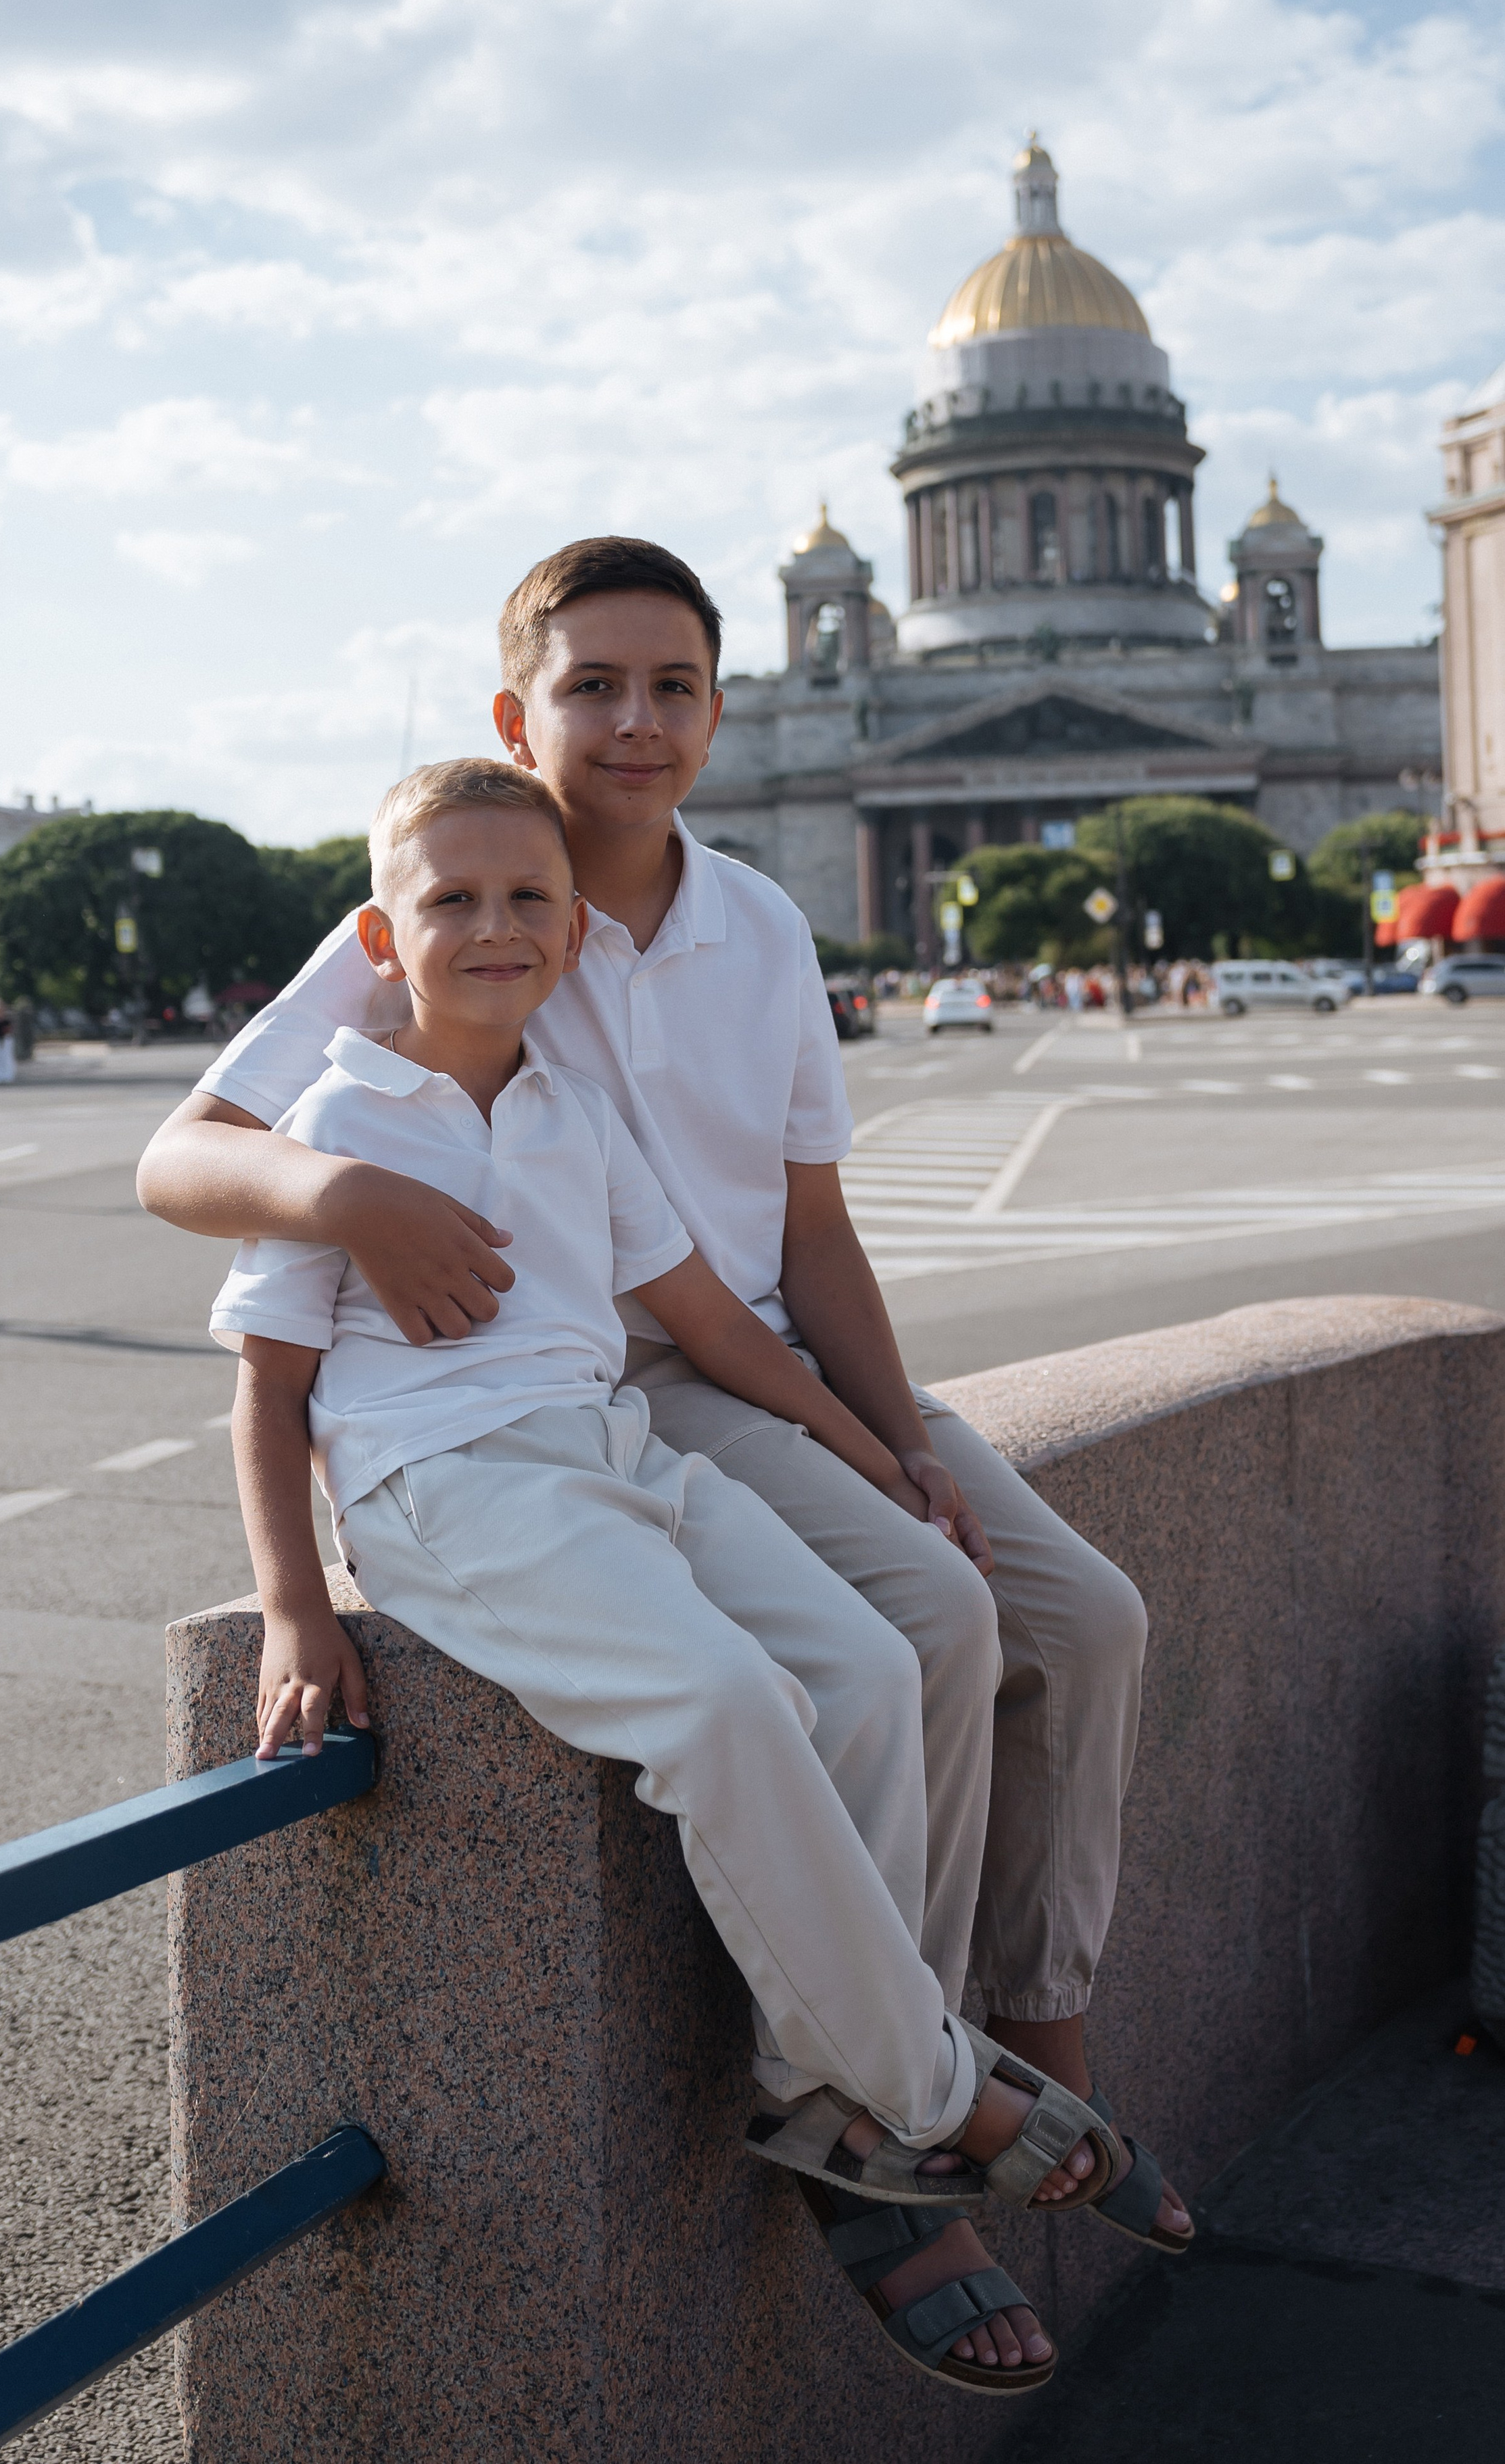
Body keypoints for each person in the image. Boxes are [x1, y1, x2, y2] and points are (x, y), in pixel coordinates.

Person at [137, 537, 1191, 2279]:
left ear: (721, 704)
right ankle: (889, 2117)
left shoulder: (750, 918)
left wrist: (898, 1440)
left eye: (671, 686)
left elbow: (798, 1234)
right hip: (584, 1404)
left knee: (1083, 1616)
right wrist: (344, 1202)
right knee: (918, 1620)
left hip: (741, 1363)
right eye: (591, 687)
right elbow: (185, 1163)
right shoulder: (440, 905)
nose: (633, 722)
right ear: (517, 711)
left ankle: (1029, 2033)